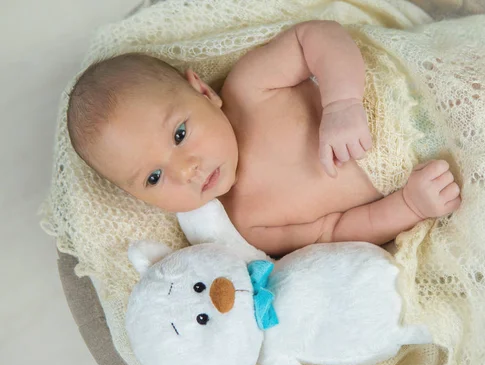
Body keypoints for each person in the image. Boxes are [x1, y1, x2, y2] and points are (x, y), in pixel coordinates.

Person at [67, 20, 461, 256]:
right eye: (153, 178)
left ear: (204, 92)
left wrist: (342, 101)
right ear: (142, 201)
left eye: (180, 134)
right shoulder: (248, 227)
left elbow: (316, 36)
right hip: (439, 165)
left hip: (420, 77)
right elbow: (336, 232)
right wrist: (410, 205)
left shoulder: (248, 88)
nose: (186, 170)